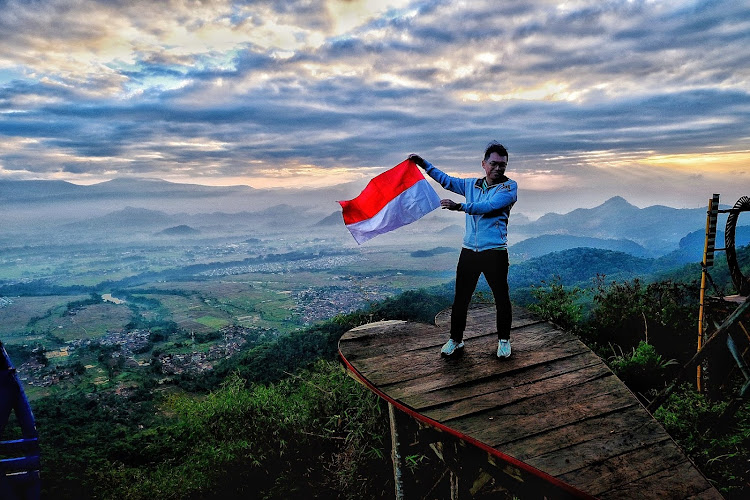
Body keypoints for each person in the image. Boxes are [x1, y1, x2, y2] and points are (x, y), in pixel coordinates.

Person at [409, 142, 517, 359]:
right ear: (484, 164)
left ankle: (504, 341)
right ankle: (455, 340)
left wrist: (459, 207)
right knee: (461, 298)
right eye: (494, 164)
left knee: (501, 298)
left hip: (495, 251)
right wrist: (422, 164)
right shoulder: (471, 185)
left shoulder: (509, 187)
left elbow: (489, 207)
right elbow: (446, 180)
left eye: (502, 165)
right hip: (469, 251)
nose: (498, 169)